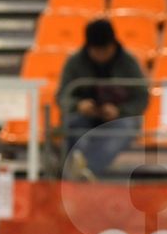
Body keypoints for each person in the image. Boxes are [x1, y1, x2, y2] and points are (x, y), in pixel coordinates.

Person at [58, 19, 149, 180]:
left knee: (126, 127)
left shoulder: (129, 63)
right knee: (72, 125)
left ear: (113, 45)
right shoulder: (74, 62)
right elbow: (62, 96)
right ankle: (80, 171)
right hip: (84, 118)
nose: (100, 55)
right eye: (96, 50)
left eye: (104, 50)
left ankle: (82, 171)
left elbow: (141, 98)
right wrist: (79, 105)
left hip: (118, 120)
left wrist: (120, 111)